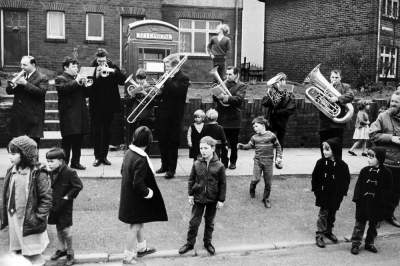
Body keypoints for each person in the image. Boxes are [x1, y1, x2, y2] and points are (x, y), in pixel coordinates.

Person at [119, 126, 168, 264]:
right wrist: (148, 193)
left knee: (139, 222)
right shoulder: (141, 158)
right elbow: (138, 184)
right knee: (134, 226)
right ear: (149, 141)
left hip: (129, 196)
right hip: (136, 198)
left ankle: (141, 248)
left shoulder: (129, 152)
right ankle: (127, 258)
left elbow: (122, 171)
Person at [0, 136, 52, 266]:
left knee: (32, 250)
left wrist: (39, 216)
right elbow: (7, 193)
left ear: (24, 154)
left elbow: (46, 198)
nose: (10, 157)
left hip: (29, 218)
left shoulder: (38, 173)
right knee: (18, 247)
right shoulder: (12, 170)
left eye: (13, 153)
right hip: (14, 216)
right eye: (9, 153)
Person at [178, 136, 226, 256]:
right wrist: (190, 195)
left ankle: (207, 243)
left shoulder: (219, 166)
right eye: (201, 148)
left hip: (212, 199)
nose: (203, 151)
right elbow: (191, 180)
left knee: (209, 222)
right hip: (198, 198)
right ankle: (189, 244)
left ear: (213, 148)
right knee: (194, 222)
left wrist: (221, 200)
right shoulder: (196, 163)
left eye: (206, 148)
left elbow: (223, 184)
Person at [350, 147, 393, 255]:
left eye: (372, 157)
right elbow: (358, 186)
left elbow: (389, 190)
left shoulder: (386, 173)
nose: (369, 159)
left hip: (377, 204)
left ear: (379, 158)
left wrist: (385, 203)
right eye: (368, 156)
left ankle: (369, 243)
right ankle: (355, 243)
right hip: (363, 202)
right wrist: (357, 199)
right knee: (359, 224)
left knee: (373, 225)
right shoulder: (364, 171)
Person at [46, 148, 83, 266]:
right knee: (58, 227)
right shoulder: (52, 171)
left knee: (66, 229)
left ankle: (70, 252)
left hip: (65, 206)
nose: (49, 164)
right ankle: (61, 249)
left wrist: (67, 197)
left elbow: (78, 186)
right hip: (54, 205)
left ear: (61, 161)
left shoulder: (69, 172)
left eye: (51, 161)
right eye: (48, 161)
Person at [311, 137, 351, 248]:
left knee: (332, 214)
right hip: (323, 194)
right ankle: (320, 234)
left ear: (335, 150)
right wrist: (316, 190)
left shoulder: (342, 165)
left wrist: (342, 192)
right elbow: (315, 177)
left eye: (327, 149)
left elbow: (346, 180)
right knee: (323, 214)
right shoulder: (320, 163)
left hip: (336, 195)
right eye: (323, 149)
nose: (324, 152)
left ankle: (328, 231)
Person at [89, 48, 126, 167]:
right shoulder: (92, 66)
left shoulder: (112, 65)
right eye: (99, 61)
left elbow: (123, 80)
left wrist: (112, 70)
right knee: (96, 132)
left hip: (109, 105)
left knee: (107, 131)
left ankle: (104, 157)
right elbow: (87, 86)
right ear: (96, 59)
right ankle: (97, 157)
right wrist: (97, 75)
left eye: (103, 60)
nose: (101, 63)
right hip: (95, 105)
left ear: (106, 58)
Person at [156, 54, 190, 179]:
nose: (166, 69)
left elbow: (178, 92)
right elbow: (161, 95)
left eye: (168, 66)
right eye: (165, 66)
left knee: (172, 143)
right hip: (162, 114)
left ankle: (171, 169)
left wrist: (168, 80)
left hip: (175, 116)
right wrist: (158, 92)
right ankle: (164, 165)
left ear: (175, 66)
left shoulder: (183, 78)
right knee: (162, 141)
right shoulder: (166, 77)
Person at [369, 90, 400, 227]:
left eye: (397, 102)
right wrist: (391, 138)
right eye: (392, 101)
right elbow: (372, 134)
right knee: (381, 192)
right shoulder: (383, 116)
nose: (393, 104)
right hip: (386, 162)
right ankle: (376, 217)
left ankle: (389, 215)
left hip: (399, 164)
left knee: (395, 193)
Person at [237, 116, 282, 208]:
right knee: (256, 179)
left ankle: (266, 198)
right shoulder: (254, 137)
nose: (254, 128)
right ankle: (252, 188)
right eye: (253, 127)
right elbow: (249, 146)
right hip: (258, 161)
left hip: (269, 162)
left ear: (263, 125)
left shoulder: (271, 135)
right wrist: (242, 146)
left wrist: (279, 157)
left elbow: (278, 146)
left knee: (268, 182)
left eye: (256, 126)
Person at [55, 57, 90, 170]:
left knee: (78, 141)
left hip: (80, 114)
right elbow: (64, 89)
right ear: (66, 67)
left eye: (77, 66)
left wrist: (85, 84)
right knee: (67, 142)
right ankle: (64, 164)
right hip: (68, 115)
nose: (76, 68)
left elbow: (86, 94)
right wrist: (77, 81)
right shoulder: (60, 78)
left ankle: (76, 162)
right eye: (73, 66)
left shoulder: (77, 79)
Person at [6, 56, 47, 146]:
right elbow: (8, 91)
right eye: (21, 64)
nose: (22, 67)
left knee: (33, 149)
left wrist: (25, 83)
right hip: (20, 118)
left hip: (33, 119)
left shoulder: (42, 77)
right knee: (19, 149)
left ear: (33, 64)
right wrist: (13, 85)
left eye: (25, 65)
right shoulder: (20, 76)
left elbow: (41, 92)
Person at [213, 66, 247, 169]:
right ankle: (224, 162)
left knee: (233, 144)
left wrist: (226, 97)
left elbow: (239, 100)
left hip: (234, 119)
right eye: (227, 74)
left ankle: (233, 162)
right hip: (222, 118)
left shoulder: (241, 85)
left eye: (230, 74)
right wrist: (216, 95)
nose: (227, 76)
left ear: (236, 75)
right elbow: (215, 99)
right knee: (222, 143)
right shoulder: (222, 84)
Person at [318, 69, 354, 160]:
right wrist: (322, 101)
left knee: (337, 149)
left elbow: (350, 96)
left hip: (337, 125)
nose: (334, 79)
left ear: (340, 78)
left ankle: (337, 167)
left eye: (336, 77)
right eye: (332, 77)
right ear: (330, 78)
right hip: (324, 124)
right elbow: (317, 101)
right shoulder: (324, 87)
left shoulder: (345, 87)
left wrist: (337, 98)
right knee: (324, 148)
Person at [261, 73, 296, 148]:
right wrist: (271, 97)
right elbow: (264, 103)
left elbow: (290, 109)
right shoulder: (271, 92)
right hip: (270, 120)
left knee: (280, 142)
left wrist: (278, 111)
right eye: (279, 80)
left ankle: (278, 158)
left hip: (282, 121)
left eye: (283, 80)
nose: (281, 82)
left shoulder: (289, 94)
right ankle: (267, 158)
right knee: (268, 141)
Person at [125, 68, 153, 147]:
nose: (140, 81)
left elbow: (152, 102)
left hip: (145, 116)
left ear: (146, 78)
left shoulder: (149, 88)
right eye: (138, 79)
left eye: (142, 79)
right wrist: (132, 96)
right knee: (134, 136)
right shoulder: (133, 88)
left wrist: (144, 93)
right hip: (135, 116)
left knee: (144, 138)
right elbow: (128, 104)